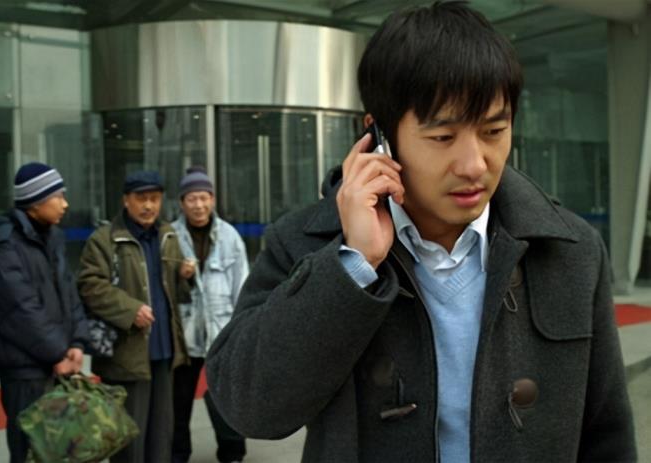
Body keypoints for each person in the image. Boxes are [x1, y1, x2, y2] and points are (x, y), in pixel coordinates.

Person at [205, 2, 637, 462]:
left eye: (494, 131)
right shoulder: (306, 244)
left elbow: (608, 436)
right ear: (379, 136)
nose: (474, 165)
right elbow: (247, 408)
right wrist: (353, 265)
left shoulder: (570, 249)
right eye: (442, 137)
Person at [77, 170, 189, 463]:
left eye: (154, 199)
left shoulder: (168, 235)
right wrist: (129, 309)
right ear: (126, 200)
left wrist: (184, 275)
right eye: (141, 199)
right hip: (126, 353)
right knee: (129, 438)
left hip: (165, 349)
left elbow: (175, 291)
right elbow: (90, 285)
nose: (149, 205)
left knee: (161, 434)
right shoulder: (105, 239)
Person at [0, 162, 90, 463]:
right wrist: (57, 353)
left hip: (59, 364)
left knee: (62, 452)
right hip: (25, 373)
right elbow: (19, 310)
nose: (65, 204)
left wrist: (77, 343)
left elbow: (69, 292)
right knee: (30, 451)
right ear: (35, 201)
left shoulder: (53, 237)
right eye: (58, 196)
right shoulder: (4, 245)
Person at [171, 167, 248, 463]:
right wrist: (180, 276)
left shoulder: (230, 236)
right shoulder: (170, 236)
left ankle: (232, 454)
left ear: (212, 199)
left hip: (221, 331)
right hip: (184, 335)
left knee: (225, 400)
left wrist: (240, 331)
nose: (199, 205)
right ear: (182, 202)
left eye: (204, 198)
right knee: (178, 402)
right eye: (192, 199)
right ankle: (178, 454)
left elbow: (242, 286)